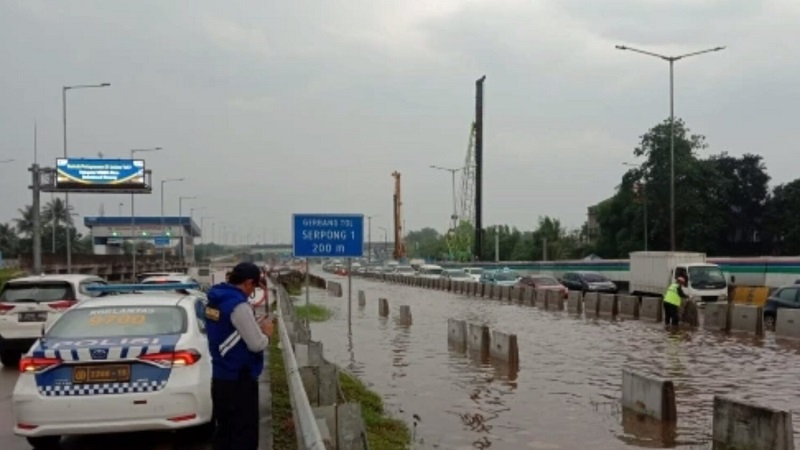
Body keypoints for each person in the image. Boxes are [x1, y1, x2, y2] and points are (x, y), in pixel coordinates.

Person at [206, 262, 274, 450]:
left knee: (224, 432)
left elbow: (227, 331)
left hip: (220, 376)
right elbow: (256, 344)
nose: (252, 292)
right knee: (244, 435)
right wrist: (267, 333)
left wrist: (252, 326)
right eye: (254, 287)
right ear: (248, 283)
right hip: (239, 380)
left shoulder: (215, 299)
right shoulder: (238, 305)